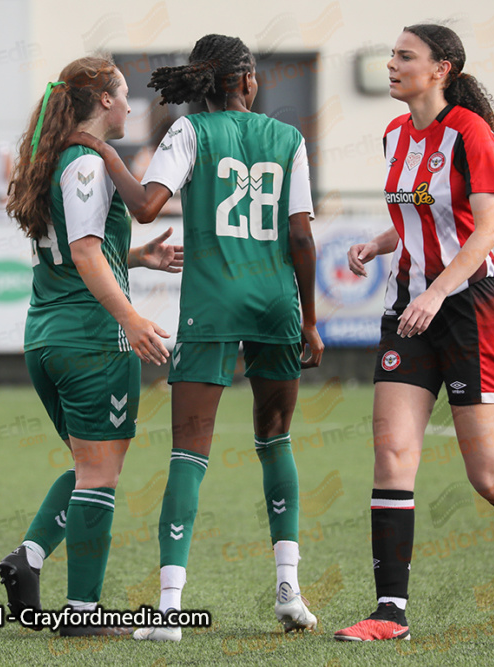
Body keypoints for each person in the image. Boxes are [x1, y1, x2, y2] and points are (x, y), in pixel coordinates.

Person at [334, 24, 494, 642]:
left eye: (404, 56)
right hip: (409, 309)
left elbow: (486, 229)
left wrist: (438, 289)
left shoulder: (470, 133)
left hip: (468, 306)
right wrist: (379, 242)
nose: (391, 64)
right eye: (392, 54)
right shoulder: (395, 133)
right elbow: (424, 214)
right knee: (392, 453)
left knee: (490, 474)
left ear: (441, 69)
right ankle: (389, 613)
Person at [73, 33, 324, 642]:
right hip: (273, 306)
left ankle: (168, 610)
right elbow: (301, 239)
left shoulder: (187, 132)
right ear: (246, 82)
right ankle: (288, 589)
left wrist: (101, 150)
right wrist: (309, 320)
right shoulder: (289, 139)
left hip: (211, 305)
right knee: (276, 439)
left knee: (189, 451)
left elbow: (147, 207)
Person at [0, 56, 183, 637]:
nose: (131, 107)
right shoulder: (84, 163)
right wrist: (129, 318)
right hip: (91, 341)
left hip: (47, 336)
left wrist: (138, 257)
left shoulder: (57, 158)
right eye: (126, 96)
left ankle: (28, 557)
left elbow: (76, 252)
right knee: (100, 474)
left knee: (86, 467)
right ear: (104, 101)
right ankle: (83, 614)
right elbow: (81, 254)